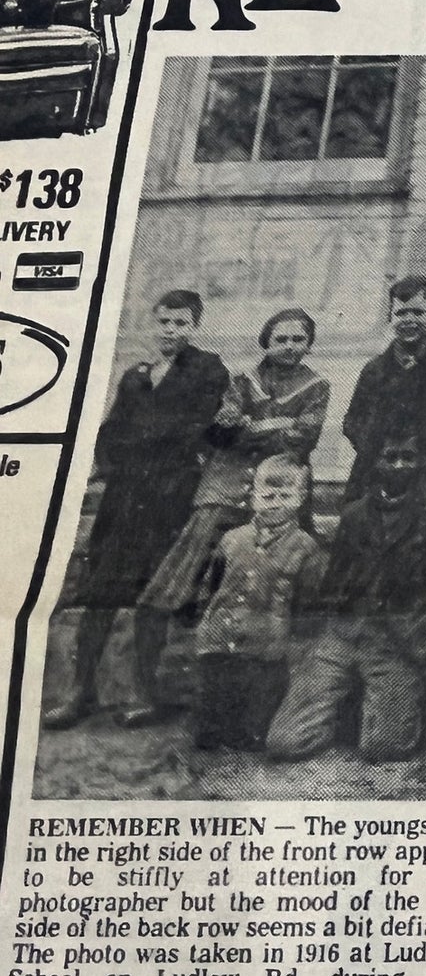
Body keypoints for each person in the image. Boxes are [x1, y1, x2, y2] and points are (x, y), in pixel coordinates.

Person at [127, 307, 330, 725]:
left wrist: (254, 425)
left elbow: (303, 435)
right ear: (266, 341)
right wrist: (270, 424)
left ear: (309, 343)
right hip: (223, 494)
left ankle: (272, 706)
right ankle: (150, 694)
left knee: (287, 594)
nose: (289, 347)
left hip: (279, 501)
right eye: (281, 338)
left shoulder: (317, 385)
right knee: (168, 590)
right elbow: (223, 427)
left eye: (298, 339)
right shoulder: (241, 379)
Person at [45, 289, 228, 730]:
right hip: (123, 500)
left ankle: (143, 693)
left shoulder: (207, 369)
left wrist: (142, 444)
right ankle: (80, 692)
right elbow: (109, 434)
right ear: (154, 324)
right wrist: (117, 461)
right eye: (164, 322)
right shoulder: (135, 376)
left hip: (167, 499)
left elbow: (194, 428)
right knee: (100, 595)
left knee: (154, 596)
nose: (171, 331)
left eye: (181, 323)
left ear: (195, 325)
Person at [267, 426, 426, 764]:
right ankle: (348, 708)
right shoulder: (354, 514)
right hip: (345, 635)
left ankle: (406, 703)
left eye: (408, 457)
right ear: (375, 462)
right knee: (285, 742)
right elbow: (335, 582)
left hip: (400, 641)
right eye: (390, 457)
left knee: (383, 748)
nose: (398, 466)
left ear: (422, 461)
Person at [192, 456, 325, 752]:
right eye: (267, 496)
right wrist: (207, 619)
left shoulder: (306, 547)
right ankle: (214, 731)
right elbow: (212, 584)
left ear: (301, 499)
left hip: (267, 644)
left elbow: (309, 602)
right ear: (252, 497)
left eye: (285, 496)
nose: (275, 503)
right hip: (221, 636)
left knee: (256, 724)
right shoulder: (232, 539)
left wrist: (296, 641)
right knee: (213, 702)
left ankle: (249, 730)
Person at [341, 275, 426, 502]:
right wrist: (377, 450)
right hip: (377, 470)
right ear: (390, 317)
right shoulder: (374, 369)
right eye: (401, 313)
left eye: (418, 313)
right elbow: (353, 421)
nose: (409, 320)